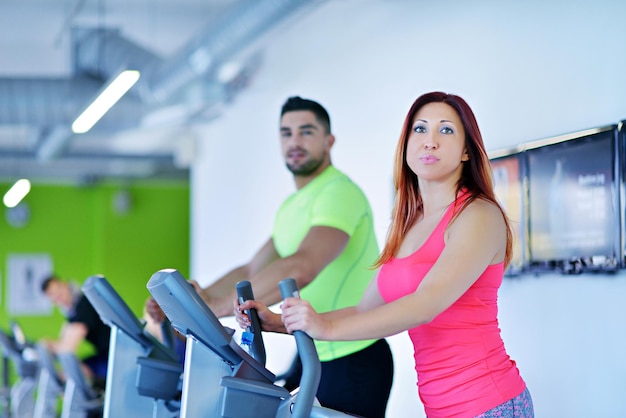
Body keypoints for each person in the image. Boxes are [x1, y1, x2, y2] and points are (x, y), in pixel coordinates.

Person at [236, 92, 534, 418]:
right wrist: (283, 323)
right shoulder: (409, 222)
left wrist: (327, 329)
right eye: (419, 129)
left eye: (445, 130)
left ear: (466, 151)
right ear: (406, 144)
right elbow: (364, 310)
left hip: (491, 404)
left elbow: (426, 304)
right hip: (440, 407)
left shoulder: (478, 215)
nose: (430, 141)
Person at [148, 96, 393, 418]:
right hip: (315, 352)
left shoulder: (338, 192)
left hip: (354, 357)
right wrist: (197, 298)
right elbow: (252, 267)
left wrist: (215, 309)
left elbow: (302, 266)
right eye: (286, 133)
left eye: (306, 132)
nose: (295, 141)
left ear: (328, 141)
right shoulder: (293, 206)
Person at [41, 274, 110, 387]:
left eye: (59, 292)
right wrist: (47, 345)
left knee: (74, 372)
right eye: (54, 298)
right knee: (75, 369)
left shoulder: (83, 305)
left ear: (64, 284)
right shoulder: (72, 311)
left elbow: (68, 348)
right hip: (104, 354)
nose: (59, 298)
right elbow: (64, 339)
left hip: (116, 355)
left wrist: (53, 347)